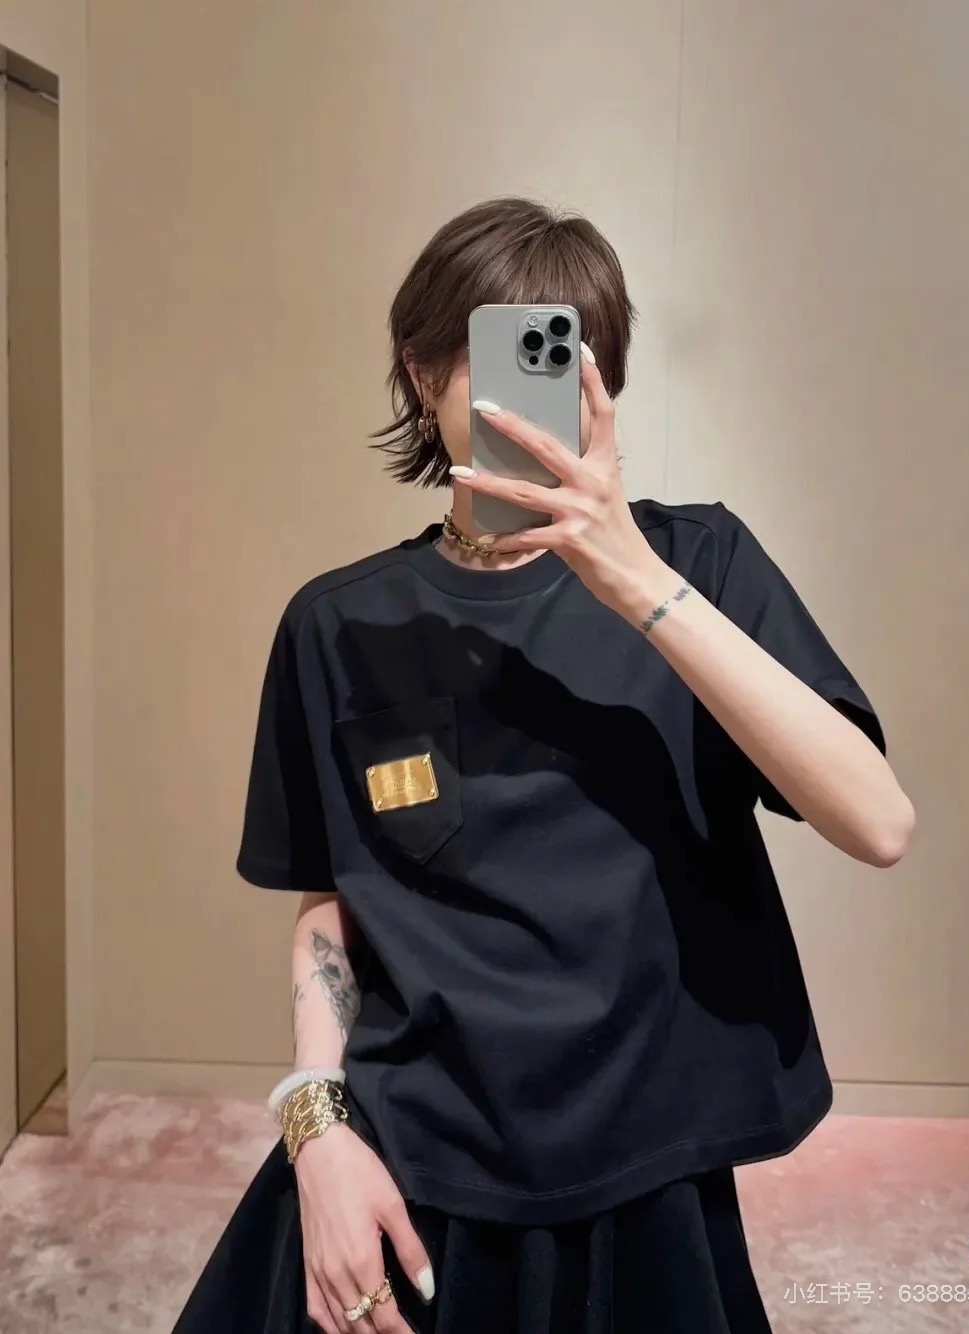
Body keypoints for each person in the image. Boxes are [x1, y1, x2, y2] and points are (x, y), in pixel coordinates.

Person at [172, 197, 915, 1334]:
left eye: (568, 357)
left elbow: (877, 822)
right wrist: (314, 1125)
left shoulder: (700, 561)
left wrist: (635, 580)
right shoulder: (340, 623)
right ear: (423, 373)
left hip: (648, 1160)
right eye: (504, 355)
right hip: (415, 1151)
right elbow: (333, 897)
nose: (540, 395)